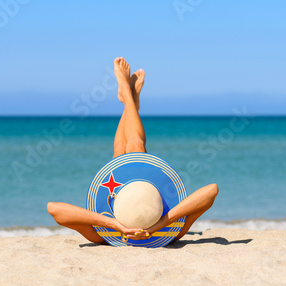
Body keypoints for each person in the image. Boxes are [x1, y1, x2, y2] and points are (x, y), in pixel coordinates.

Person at [47, 57, 219, 245]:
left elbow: (54, 208)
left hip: (117, 210)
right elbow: (211, 191)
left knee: (122, 149)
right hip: (153, 219)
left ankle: (128, 98)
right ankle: (129, 99)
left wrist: (113, 224)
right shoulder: (169, 233)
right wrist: (160, 224)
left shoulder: (104, 235)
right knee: (136, 145)